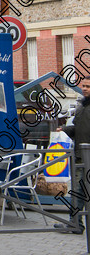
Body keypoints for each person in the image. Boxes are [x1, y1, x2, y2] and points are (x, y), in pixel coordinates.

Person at [54, 77, 90, 233]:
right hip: (81, 156)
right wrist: (65, 130)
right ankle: (75, 223)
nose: (85, 88)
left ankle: (75, 223)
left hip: (87, 156)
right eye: (84, 85)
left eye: (88, 86)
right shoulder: (82, 106)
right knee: (78, 191)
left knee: (80, 191)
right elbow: (77, 128)